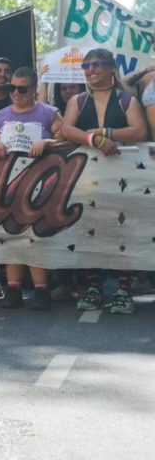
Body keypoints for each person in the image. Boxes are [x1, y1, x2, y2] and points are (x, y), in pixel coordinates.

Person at [60, 48, 147, 315]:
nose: (91, 69)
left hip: (123, 176)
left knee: (124, 228)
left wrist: (104, 131)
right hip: (87, 176)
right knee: (88, 227)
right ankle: (94, 287)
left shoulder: (126, 100)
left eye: (97, 64)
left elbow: (139, 131)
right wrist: (94, 140)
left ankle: (123, 290)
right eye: (86, 66)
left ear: (111, 68)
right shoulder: (77, 100)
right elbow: (66, 129)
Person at [0, 67, 62, 310]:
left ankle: (41, 292)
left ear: (33, 89)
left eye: (22, 89)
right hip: (6, 183)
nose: (15, 93)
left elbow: (65, 137)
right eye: (12, 88)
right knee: (11, 235)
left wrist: (47, 141)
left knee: (34, 237)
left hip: (41, 183)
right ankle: (13, 290)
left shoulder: (49, 113)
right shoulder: (1, 115)